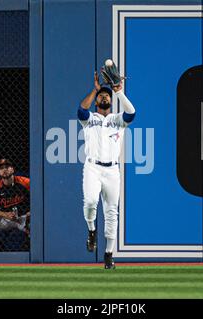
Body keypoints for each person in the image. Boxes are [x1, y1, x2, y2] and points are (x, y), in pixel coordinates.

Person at [77, 71, 136, 269]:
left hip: (112, 170)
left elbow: (132, 113)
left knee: (112, 212)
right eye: (101, 95)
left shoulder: (117, 119)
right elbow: (81, 110)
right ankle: (92, 230)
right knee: (91, 201)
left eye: (106, 95)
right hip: (92, 166)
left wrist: (119, 92)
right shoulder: (89, 118)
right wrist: (94, 91)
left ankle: (109, 253)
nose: (104, 96)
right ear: (97, 101)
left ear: (111, 100)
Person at [0, 159, 31, 249]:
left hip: (24, 217)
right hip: (7, 219)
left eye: (7, 167)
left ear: (13, 170)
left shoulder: (25, 182)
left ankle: (27, 251)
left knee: (33, 223)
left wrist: (31, 212)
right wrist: (5, 214)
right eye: (1, 168)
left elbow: (39, 198)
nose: (4, 170)